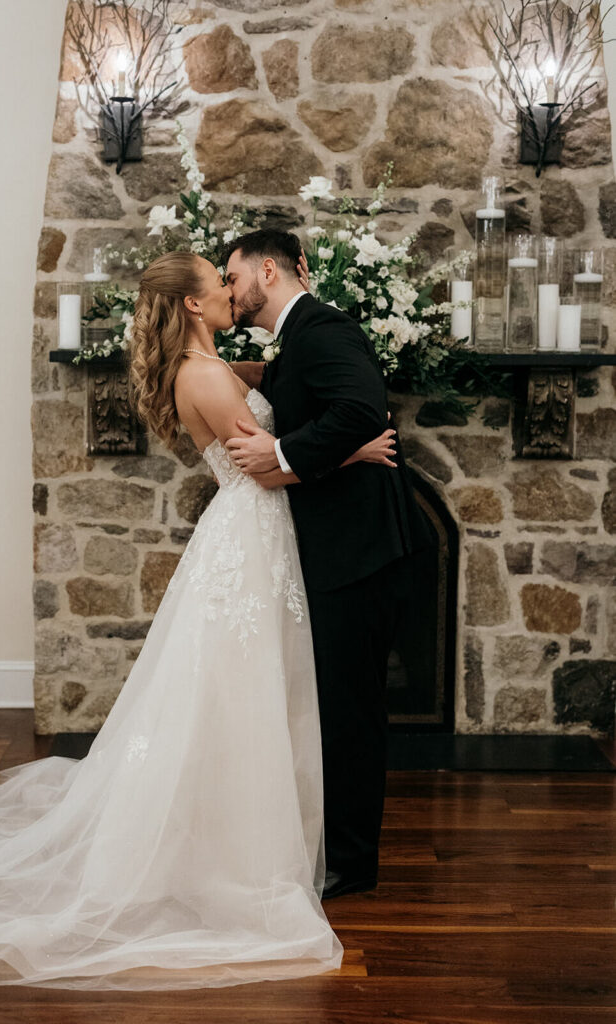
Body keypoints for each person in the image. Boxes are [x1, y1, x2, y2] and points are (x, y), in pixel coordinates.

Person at [0, 250, 396, 992]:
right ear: (190, 304)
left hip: (251, 535)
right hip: (254, 529)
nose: (229, 293)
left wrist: (264, 383)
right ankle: (237, 850)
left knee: (231, 690)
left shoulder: (209, 367)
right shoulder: (205, 375)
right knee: (241, 691)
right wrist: (357, 450)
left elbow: (257, 398)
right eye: (218, 284)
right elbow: (263, 462)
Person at [223, 230, 433, 900]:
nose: (229, 292)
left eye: (232, 278)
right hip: (342, 549)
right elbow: (323, 406)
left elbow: (359, 410)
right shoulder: (299, 338)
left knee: (350, 710)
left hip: (358, 553)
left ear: (266, 270)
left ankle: (351, 862)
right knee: (337, 706)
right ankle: (336, 846)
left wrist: (280, 457)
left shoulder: (321, 329)